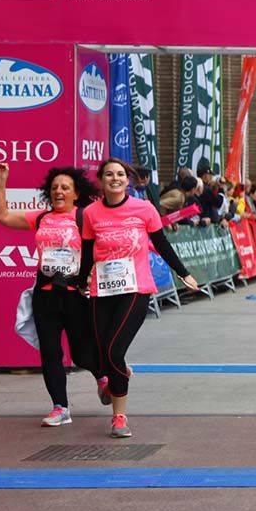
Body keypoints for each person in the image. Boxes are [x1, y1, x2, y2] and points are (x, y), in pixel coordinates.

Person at [78, 158, 199, 438]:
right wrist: (81, 279)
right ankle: (114, 375)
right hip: (103, 288)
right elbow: (86, 250)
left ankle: (119, 417)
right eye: (109, 174)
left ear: (128, 180)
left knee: (113, 351)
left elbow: (162, 243)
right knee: (101, 351)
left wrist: (183, 273)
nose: (115, 179)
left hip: (136, 288)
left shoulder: (144, 209)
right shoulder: (91, 214)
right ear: (101, 180)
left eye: (120, 174)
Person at [0, 162, 106, 426]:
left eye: (65, 187)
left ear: (76, 193)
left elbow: (103, 247)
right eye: (54, 187)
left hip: (76, 294)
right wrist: (0, 183)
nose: (59, 192)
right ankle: (60, 408)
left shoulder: (84, 217)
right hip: (45, 295)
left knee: (81, 354)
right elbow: (3, 216)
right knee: (50, 353)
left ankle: (103, 378)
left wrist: (91, 275)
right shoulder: (42, 217)